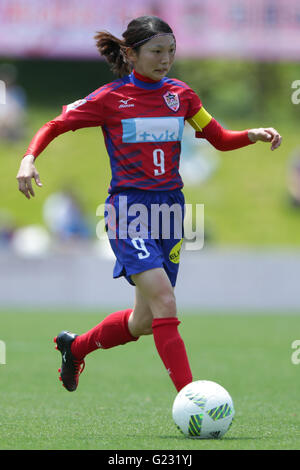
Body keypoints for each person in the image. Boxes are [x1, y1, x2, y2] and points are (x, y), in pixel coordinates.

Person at [16, 16, 282, 393]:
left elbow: (217, 137)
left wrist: (250, 135)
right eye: (156, 51)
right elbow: (55, 124)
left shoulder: (182, 96)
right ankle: (193, 400)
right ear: (131, 53)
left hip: (170, 212)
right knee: (165, 301)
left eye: (171, 51)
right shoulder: (110, 98)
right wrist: (29, 157)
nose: (165, 59)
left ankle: (74, 348)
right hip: (129, 211)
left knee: (144, 320)